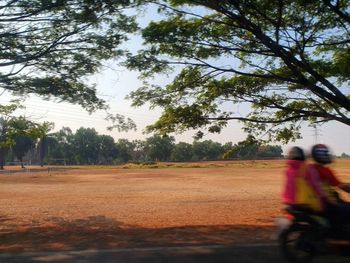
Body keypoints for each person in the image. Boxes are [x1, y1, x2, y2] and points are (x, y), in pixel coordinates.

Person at [310, 144, 350, 224]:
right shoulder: (325, 171)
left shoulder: (309, 168)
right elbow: (341, 186)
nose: (328, 155)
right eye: (326, 153)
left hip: (313, 202)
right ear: (321, 155)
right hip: (326, 203)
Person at [282, 146, 324, 212]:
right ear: (303, 156)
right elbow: (315, 186)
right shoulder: (308, 169)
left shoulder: (288, 170)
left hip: (287, 203)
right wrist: (321, 198)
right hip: (303, 203)